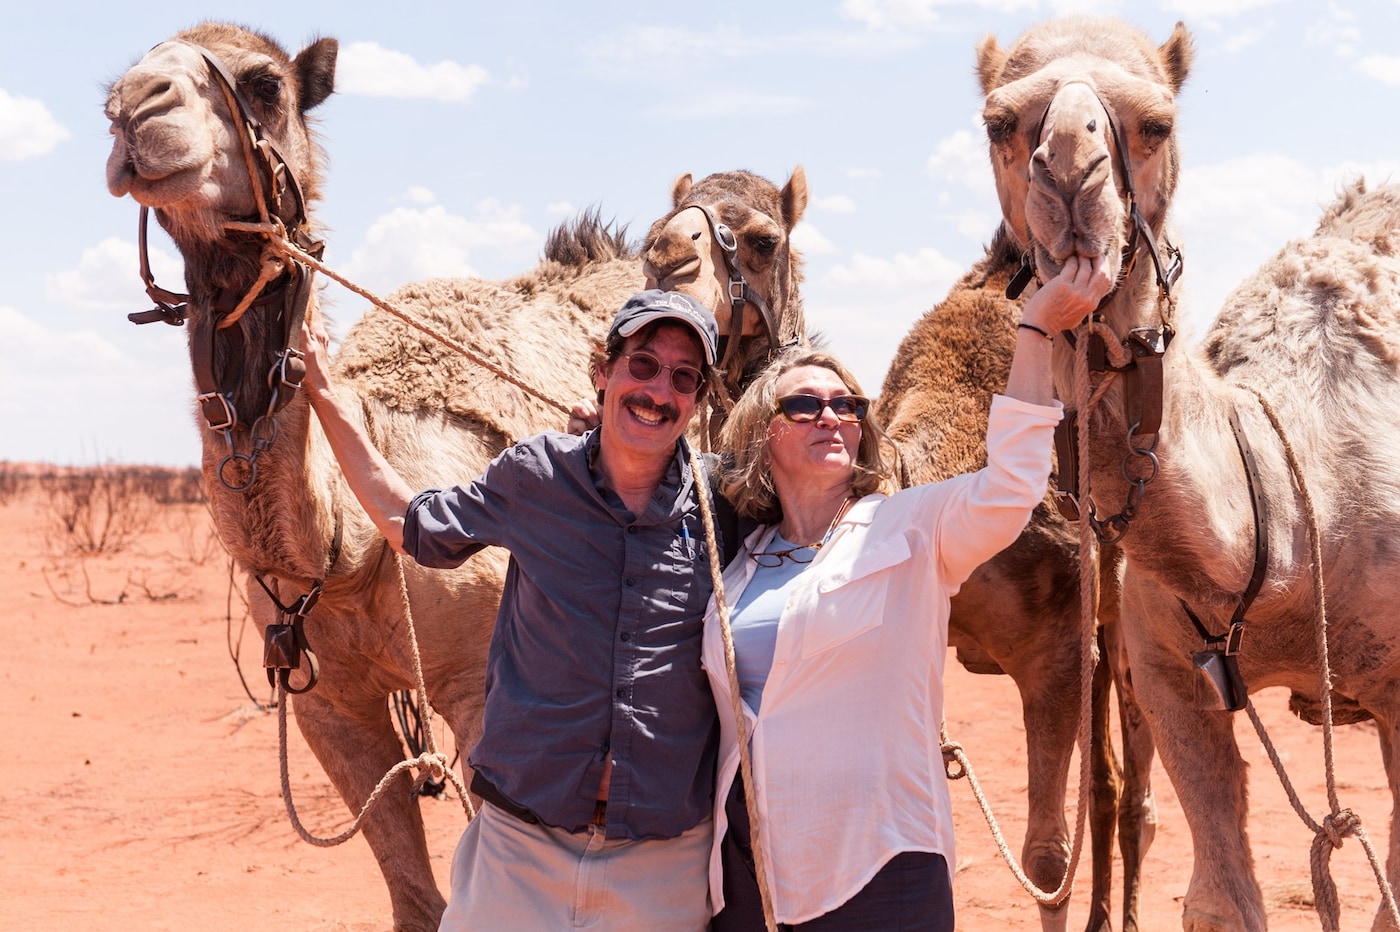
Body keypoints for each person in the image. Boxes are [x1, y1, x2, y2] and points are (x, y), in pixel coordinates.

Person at [705, 256, 1114, 930]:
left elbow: (1011, 484)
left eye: (847, 406)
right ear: (761, 433)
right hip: (747, 874)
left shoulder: (909, 528)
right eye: (804, 405)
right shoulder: (739, 563)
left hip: (880, 869)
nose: (830, 417)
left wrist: (1035, 331)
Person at [300, 289, 728, 931]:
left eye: (683, 377)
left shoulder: (725, 508)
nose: (659, 390)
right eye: (642, 366)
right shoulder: (537, 477)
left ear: (696, 401)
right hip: (520, 848)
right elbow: (406, 521)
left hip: (662, 861)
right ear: (603, 371)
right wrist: (326, 393)